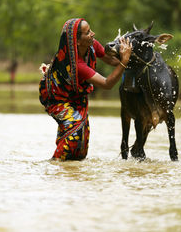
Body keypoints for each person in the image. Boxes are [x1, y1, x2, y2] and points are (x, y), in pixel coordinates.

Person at [39, 18, 132, 161]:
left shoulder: (92, 44)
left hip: (77, 97)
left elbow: (111, 61)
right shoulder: (77, 65)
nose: (93, 34)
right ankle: (54, 164)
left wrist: (125, 54)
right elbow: (107, 84)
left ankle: (70, 172)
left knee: (82, 143)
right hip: (57, 99)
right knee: (74, 130)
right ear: (77, 41)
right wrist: (124, 61)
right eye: (88, 32)